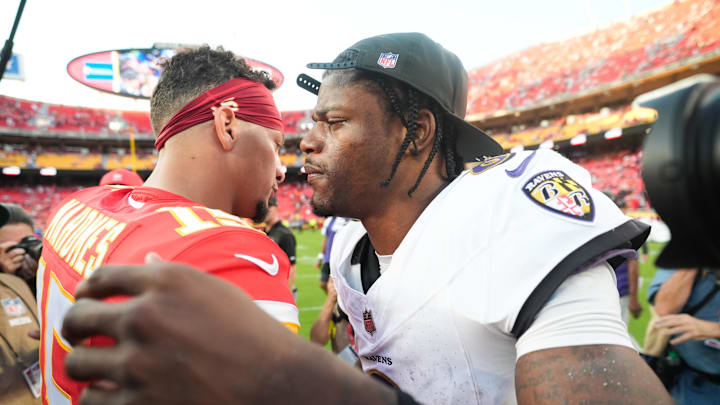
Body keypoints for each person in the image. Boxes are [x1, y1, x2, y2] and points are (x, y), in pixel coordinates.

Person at [59, 33, 671, 405]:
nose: (307, 142)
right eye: (312, 122)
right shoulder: (354, 235)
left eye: (336, 122)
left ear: (416, 133)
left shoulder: (511, 213)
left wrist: (307, 387)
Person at [37, 46, 298, 405]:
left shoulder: (75, 207)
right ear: (227, 124)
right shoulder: (229, 249)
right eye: (276, 144)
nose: (282, 169)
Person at [648, 267, 720, 404]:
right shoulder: (686, 255)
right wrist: (694, 258)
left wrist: (715, 330)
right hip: (689, 380)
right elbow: (664, 309)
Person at [0, 203, 42, 404]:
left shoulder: (38, 282)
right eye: (11, 248)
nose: (21, 255)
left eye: (26, 245)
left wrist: (34, 280)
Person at [264, 197, 297, 291]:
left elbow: (292, 266)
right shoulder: (262, 232)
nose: (266, 209)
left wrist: (287, 291)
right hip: (267, 285)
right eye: (264, 205)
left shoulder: (285, 234)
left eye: (269, 205)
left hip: (281, 288)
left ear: (276, 208)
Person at [316, 216, 351, 293]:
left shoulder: (348, 220)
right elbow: (326, 239)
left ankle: (336, 302)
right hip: (328, 258)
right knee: (323, 283)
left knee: (337, 287)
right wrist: (320, 257)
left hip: (340, 259)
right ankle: (334, 301)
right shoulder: (329, 220)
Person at [615, 256, 642, 347]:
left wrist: (633, 299)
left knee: (618, 333)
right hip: (612, 292)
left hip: (620, 292)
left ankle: (641, 357)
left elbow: (633, 266)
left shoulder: (621, 242)